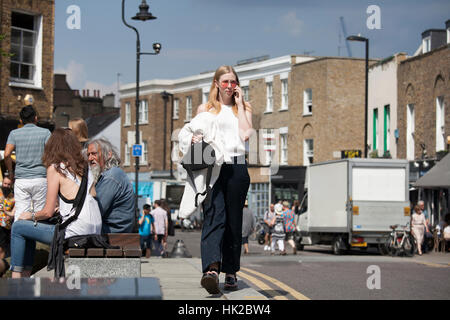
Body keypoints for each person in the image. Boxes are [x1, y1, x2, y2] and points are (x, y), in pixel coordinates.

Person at [9, 128, 102, 278]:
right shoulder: (85, 167)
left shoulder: (55, 168)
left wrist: (30, 215)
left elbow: (47, 212)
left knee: (18, 227)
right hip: (95, 229)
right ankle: (24, 276)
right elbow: (92, 195)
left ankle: (17, 278)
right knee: (28, 231)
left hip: (75, 231)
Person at [194, 65, 252, 294]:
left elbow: (246, 134)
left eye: (233, 82)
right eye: (225, 81)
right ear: (216, 83)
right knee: (213, 216)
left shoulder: (244, 108)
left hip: (237, 167)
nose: (229, 86)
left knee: (233, 222)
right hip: (212, 166)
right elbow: (194, 136)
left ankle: (231, 272)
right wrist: (196, 140)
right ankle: (211, 269)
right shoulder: (205, 109)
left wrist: (239, 104)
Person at [4, 105, 51, 223]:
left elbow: (6, 154)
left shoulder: (14, 134)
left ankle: (20, 240)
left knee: (20, 215)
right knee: (38, 217)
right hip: (40, 178)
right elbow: (52, 153)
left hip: (21, 180)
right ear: (36, 118)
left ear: (21, 120)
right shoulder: (45, 133)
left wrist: (10, 172)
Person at [86, 138, 135, 233]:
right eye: (88, 154)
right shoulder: (110, 175)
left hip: (110, 234)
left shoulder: (111, 177)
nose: (90, 158)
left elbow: (94, 211)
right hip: (109, 232)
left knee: (56, 230)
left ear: (108, 155)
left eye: (94, 154)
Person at [0, 176, 15, 259]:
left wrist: (10, 217)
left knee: (3, 248)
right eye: (5, 183)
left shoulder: (13, 198)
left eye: (8, 184)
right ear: (2, 183)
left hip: (6, 226)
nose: (6, 186)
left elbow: (14, 213)